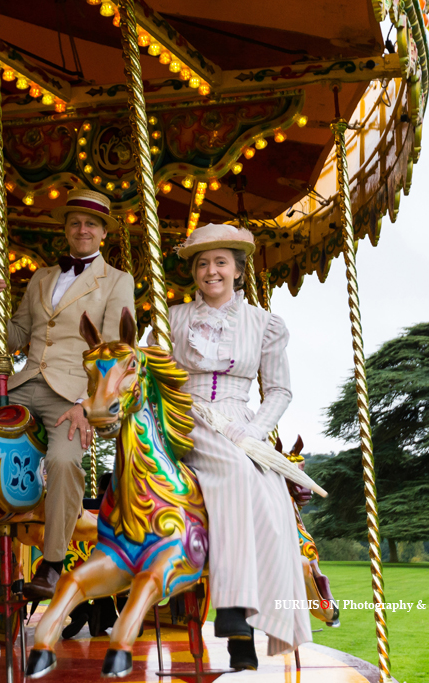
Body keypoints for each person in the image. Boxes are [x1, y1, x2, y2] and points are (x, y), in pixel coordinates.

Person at [155, 223, 310, 670]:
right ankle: (232, 611)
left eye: (221, 262)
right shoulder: (172, 319)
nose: (211, 271)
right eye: (203, 263)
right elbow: (151, 372)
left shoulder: (265, 324)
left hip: (241, 420)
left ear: (238, 270)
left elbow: (279, 390)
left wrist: (253, 432)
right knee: (239, 471)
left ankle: (257, 621)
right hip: (187, 416)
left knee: (274, 499)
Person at [0, 189, 135, 600]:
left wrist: (88, 405)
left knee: (64, 461)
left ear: (103, 233)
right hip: (23, 382)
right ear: (65, 229)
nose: (82, 229)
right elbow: (14, 338)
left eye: (91, 224)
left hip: (71, 394)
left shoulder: (117, 281)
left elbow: (117, 349)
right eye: (75, 223)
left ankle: (51, 564)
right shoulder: (42, 277)